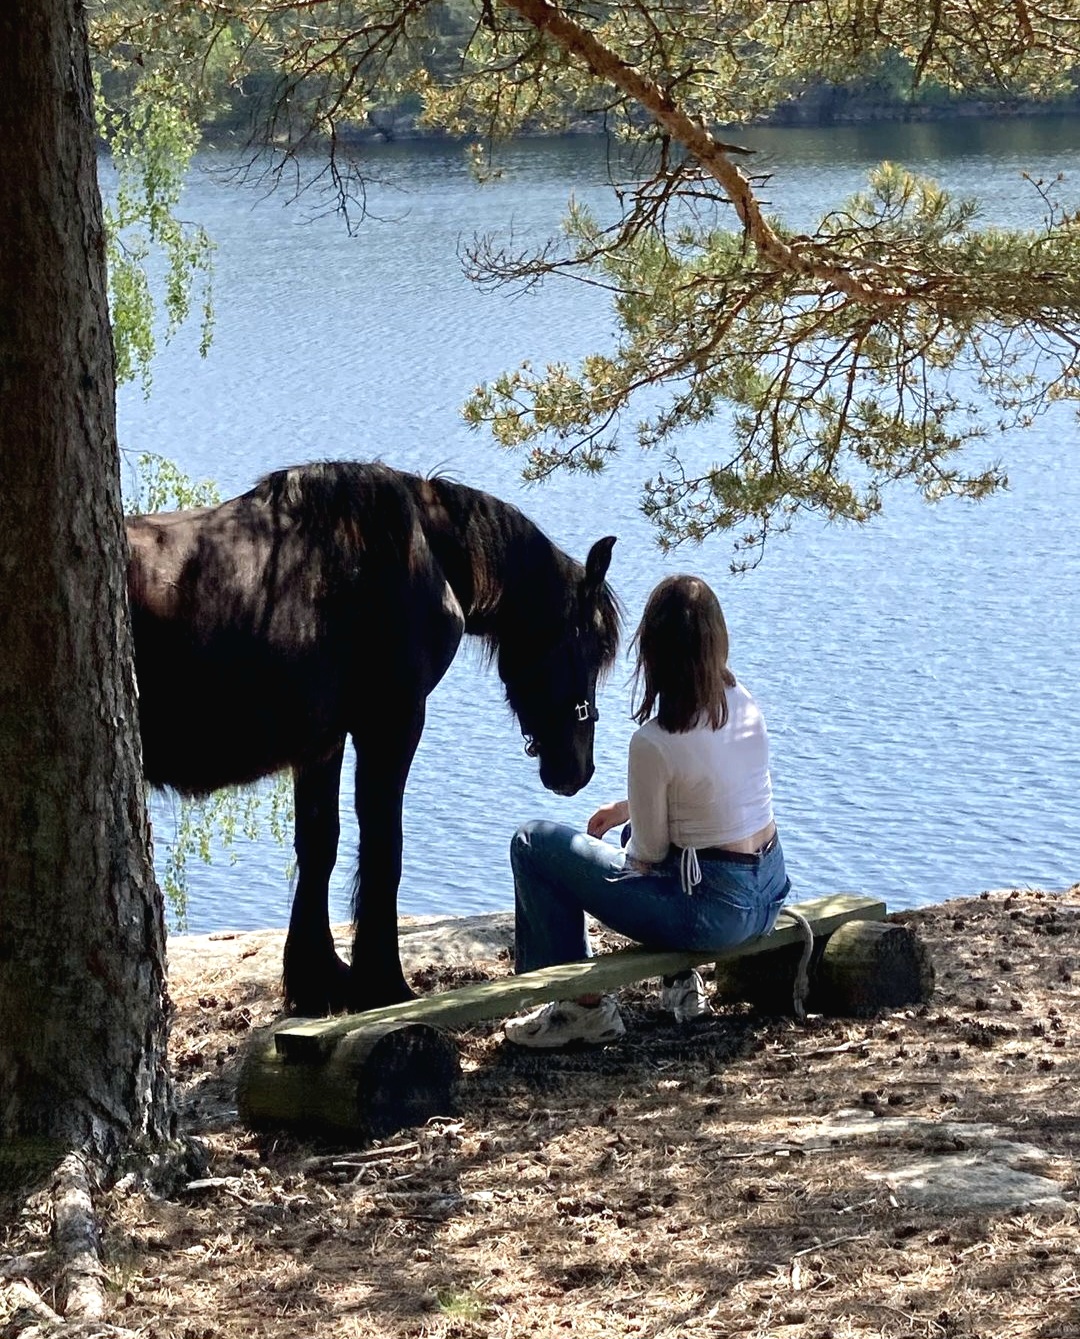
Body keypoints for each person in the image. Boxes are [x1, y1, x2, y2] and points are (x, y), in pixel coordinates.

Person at [504, 573, 790, 1048]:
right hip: (768, 893)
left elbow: (648, 856)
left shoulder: (653, 742)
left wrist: (586, 863)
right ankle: (682, 988)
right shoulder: (743, 703)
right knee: (632, 832)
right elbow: (709, 793)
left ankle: (581, 1008)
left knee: (533, 844)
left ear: (653, 650)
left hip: (715, 916)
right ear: (717, 640)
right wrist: (627, 809)